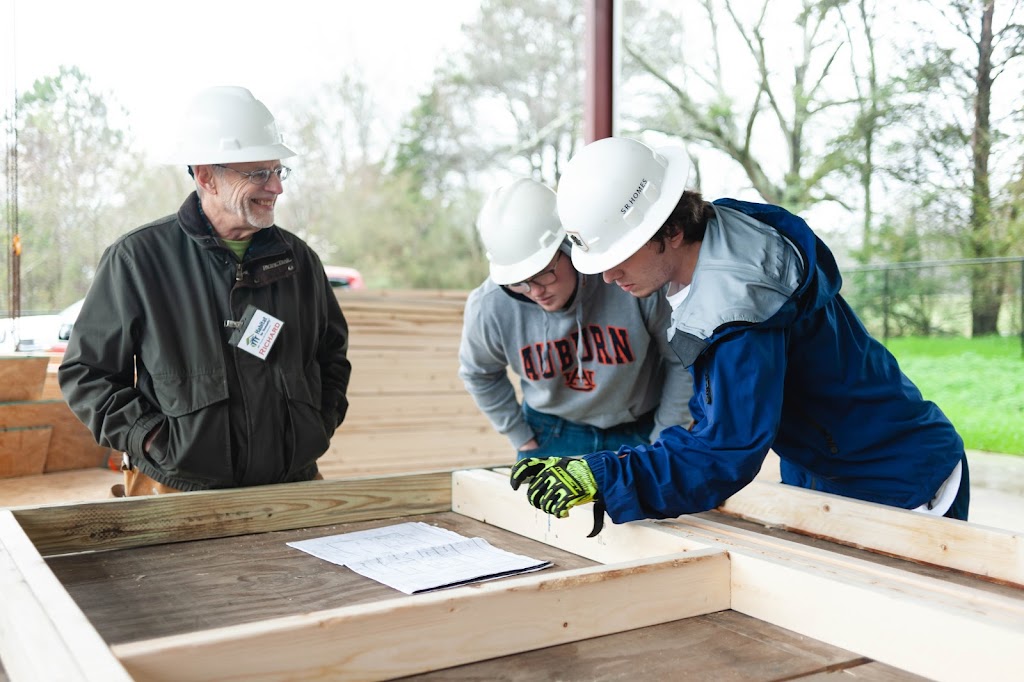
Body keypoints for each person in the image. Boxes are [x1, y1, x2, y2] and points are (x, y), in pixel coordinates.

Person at [511, 136, 969, 526]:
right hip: (826, 461)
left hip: (897, 478)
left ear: (670, 229)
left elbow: (724, 451)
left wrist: (609, 475)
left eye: (621, 255)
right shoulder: (718, 231)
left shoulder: (738, 305)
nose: (609, 277)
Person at [58, 86, 351, 496]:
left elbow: (331, 359)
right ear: (206, 176)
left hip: (292, 484)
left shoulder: (299, 262)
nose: (276, 188)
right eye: (257, 174)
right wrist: (153, 439)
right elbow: (88, 375)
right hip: (175, 486)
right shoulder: (138, 261)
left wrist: (316, 426)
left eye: (277, 170)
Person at [459, 177, 693, 465]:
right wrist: (521, 437)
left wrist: (665, 436)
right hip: (550, 434)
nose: (534, 291)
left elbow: (682, 360)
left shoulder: (629, 280)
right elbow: (479, 373)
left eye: (543, 273)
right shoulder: (490, 305)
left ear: (569, 248)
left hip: (639, 429)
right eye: (519, 283)